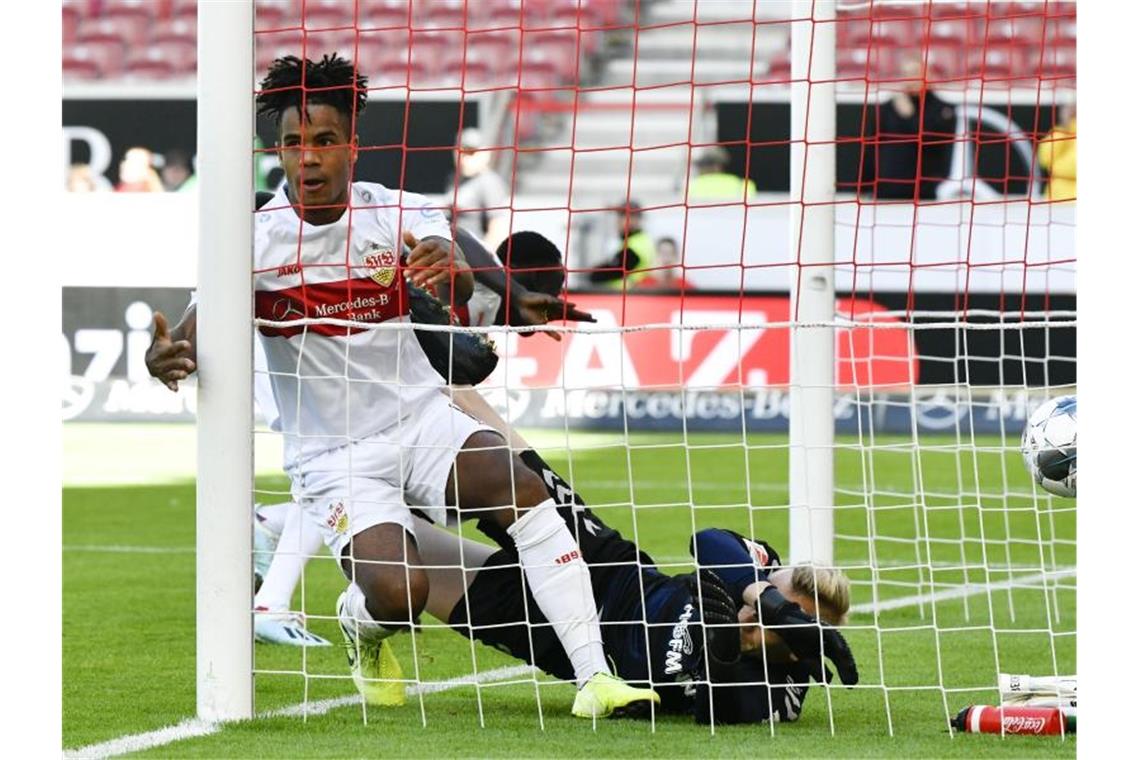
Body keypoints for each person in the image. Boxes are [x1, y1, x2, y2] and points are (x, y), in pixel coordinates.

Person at [149, 52, 657, 719]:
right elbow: (185, 337)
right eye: (294, 144)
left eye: (324, 142)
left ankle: (596, 679)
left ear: (352, 147)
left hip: (421, 421)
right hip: (334, 457)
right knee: (399, 595)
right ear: (277, 152)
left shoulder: (396, 213)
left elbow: (458, 277)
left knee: (523, 488)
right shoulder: (250, 242)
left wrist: (450, 272)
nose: (309, 158)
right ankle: (363, 629)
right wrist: (162, 357)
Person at [408, 399, 858, 724]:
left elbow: (728, 712)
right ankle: (442, 368)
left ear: (801, 648)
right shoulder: (761, 568)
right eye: (763, 602)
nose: (750, 616)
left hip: (558, 642)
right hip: (609, 568)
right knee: (516, 470)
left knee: (410, 566)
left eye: (768, 623)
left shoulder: (785, 692)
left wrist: (722, 652)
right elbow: (707, 541)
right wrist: (763, 595)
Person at [863, 57, 956, 201]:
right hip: (885, 194)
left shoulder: (943, 109)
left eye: (914, 72)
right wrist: (865, 186)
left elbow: (931, 141)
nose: (910, 78)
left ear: (927, 74)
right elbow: (872, 148)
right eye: (905, 74)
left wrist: (909, 116)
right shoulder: (887, 108)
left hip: (924, 195)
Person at [449, 127, 511, 252]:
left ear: (485, 154)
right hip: (454, 256)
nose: (465, 158)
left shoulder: (489, 182)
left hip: (473, 261)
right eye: (461, 152)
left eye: (471, 153)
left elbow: (498, 229)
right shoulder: (454, 179)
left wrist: (482, 262)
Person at [586, 202, 656, 288]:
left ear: (636, 219)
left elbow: (609, 273)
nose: (617, 220)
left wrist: (593, 273)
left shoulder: (636, 244)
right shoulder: (633, 240)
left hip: (628, 295)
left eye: (622, 216)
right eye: (619, 216)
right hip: (627, 294)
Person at [686, 146, 757, 204]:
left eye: (703, 165)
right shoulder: (744, 185)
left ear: (717, 166)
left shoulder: (691, 186)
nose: (700, 169)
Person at [1037, 104, 1075, 202]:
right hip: (1054, 199)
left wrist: (1055, 168)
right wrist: (1063, 126)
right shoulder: (1063, 130)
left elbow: (1073, 168)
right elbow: (1045, 159)